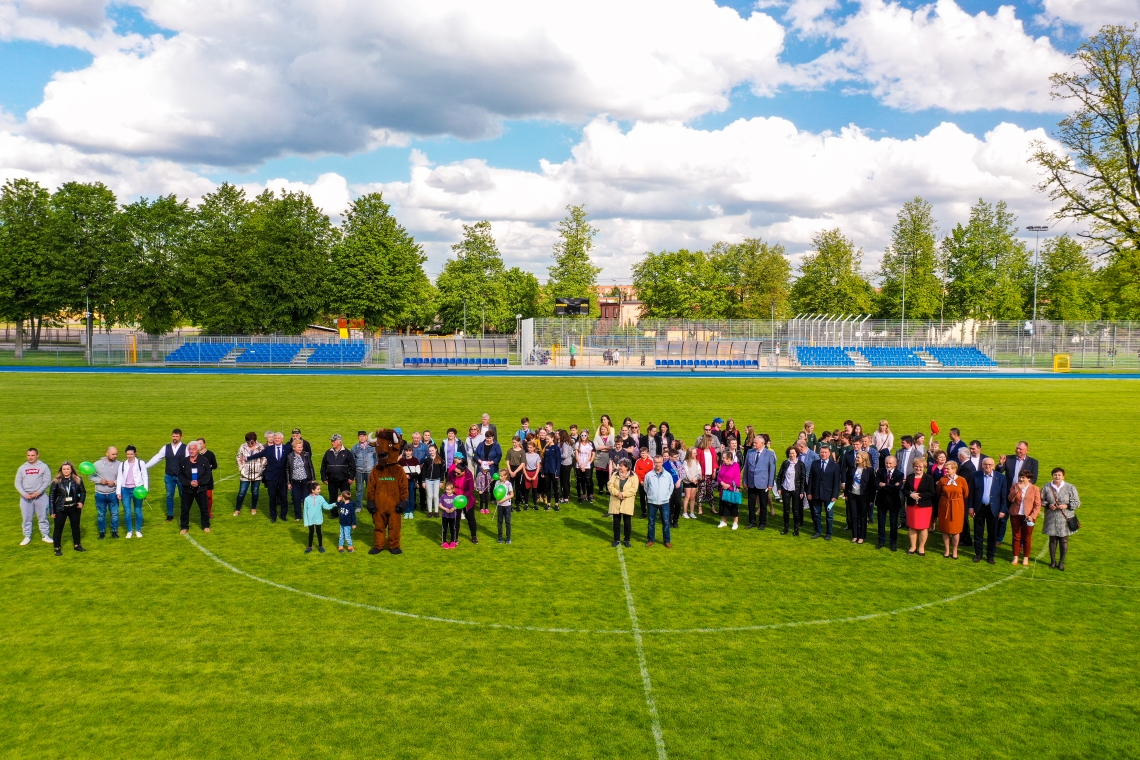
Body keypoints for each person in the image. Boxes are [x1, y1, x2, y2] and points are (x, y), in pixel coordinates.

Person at [242, 432, 290, 522]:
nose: (276, 439)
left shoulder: (287, 449)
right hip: (271, 477)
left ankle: (283, 515)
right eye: (275, 438)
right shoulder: (268, 449)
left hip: (283, 477)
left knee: (284, 497)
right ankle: (273, 516)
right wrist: (247, 458)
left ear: (282, 439)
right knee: (272, 497)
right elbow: (258, 455)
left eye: (278, 438)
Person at [999, 441, 1039, 544]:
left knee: (1021, 520)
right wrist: (1001, 464)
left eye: (1020, 449)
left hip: (1023, 496)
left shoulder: (1033, 462)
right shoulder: (1009, 459)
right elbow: (999, 472)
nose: (1018, 450)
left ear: (1027, 450)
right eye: (1017, 448)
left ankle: (1021, 543)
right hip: (1009, 493)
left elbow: (1033, 478)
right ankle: (999, 539)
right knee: (1003, 518)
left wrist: (1023, 488)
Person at [969, 457, 1007, 564]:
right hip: (979, 508)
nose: (988, 466)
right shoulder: (975, 475)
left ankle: (990, 555)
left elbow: (1003, 496)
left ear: (994, 466)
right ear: (982, 465)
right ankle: (978, 554)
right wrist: (971, 507)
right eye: (985, 464)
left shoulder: (1000, 477)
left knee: (992, 534)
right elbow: (971, 493)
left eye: (990, 464)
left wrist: (1002, 510)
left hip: (993, 509)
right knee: (978, 532)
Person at [1042, 467, 1080, 571]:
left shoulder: (1070, 487)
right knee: (1052, 539)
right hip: (1051, 517)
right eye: (1055, 475)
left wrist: (1066, 506)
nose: (1057, 476)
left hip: (1065, 518)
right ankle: (1053, 562)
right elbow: (1041, 500)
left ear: (1063, 476)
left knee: (1064, 540)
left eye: (1059, 475)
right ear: (1052, 476)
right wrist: (1049, 505)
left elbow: (1077, 502)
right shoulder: (1046, 486)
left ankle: (1061, 563)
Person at [146, 428, 186, 523]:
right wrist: (145, 466)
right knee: (169, 495)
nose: (175, 438)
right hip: (169, 476)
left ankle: (184, 513)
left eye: (177, 436)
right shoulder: (166, 447)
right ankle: (170, 514)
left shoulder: (185, 448)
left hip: (181, 476)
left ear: (181, 437)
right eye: (173, 436)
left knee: (183, 495)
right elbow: (157, 458)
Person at [15, 448, 53, 546]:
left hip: (40, 497)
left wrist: (38, 492)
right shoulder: (22, 468)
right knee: (26, 518)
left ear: (37, 455)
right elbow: (17, 483)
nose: (30, 457)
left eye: (32, 455)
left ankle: (45, 535)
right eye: (28, 455)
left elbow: (47, 481)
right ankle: (27, 536)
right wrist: (24, 494)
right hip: (25, 498)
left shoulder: (44, 467)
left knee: (43, 516)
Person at [49, 462, 86, 556]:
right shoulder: (56, 481)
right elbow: (52, 496)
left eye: (68, 469)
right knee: (58, 528)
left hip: (74, 508)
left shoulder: (78, 480)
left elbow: (83, 492)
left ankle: (77, 545)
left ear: (71, 469)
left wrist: (81, 502)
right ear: (61, 470)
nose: (66, 471)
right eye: (64, 469)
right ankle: (57, 547)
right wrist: (52, 511)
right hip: (61, 508)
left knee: (75, 527)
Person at [742, 434, 776, 530]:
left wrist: (770, 484)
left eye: (756, 442)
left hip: (763, 483)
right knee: (751, 504)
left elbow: (772, 470)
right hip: (751, 483)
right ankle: (752, 522)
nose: (754, 443)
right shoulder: (750, 452)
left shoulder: (769, 454)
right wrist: (744, 481)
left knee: (763, 504)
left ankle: (762, 523)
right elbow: (746, 468)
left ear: (762, 443)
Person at [936, 460, 969, 559]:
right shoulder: (942, 480)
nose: (945, 470)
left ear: (954, 469)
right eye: (945, 468)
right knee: (945, 529)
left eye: (947, 468)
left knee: (956, 530)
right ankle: (946, 550)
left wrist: (956, 500)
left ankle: (954, 550)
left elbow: (966, 493)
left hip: (957, 507)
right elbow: (938, 492)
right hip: (944, 506)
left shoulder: (962, 480)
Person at [178, 441, 213, 534]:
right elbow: (180, 475)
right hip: (187, 489)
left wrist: (199, 482)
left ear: (198, 450)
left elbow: (207, 474)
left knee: (204, 508)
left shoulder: (204, 461)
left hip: (200, 489)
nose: (191, 451)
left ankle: (206, 525)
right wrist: (189, 483)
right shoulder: (183, 461)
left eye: (193, 449)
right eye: (190, 449)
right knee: (185, 509)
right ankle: (184, 527)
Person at [1007, 470, 1041, 566]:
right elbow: (1010, 499)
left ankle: (1026, 558)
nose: (1021, 479)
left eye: (1023, 477)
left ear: (1028, 479)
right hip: (1015, 515)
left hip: (1028, 517)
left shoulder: (1035, 489)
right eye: (1020, 477)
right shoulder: (1015, 486)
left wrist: (1032, 516)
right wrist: (1017, 489)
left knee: (1027, 537)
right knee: (1016, 536)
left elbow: (1037, 505)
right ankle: (1015, 557)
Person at [905, 458, 937, 556]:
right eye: (916, 466)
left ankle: (921, 547)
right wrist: (911, 495)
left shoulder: (929, 478)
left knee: (923, 527)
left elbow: (932, 492)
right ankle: (913, 546)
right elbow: (904, 490)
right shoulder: (910, 477)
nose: (918, 468)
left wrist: (919, 496)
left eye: (920, 467)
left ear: (924, 467)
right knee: (912, 526)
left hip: (924, 507)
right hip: (912, 506)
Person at [115, 445, 148, 538]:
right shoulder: (122, 464)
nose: (129, 456)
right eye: (128, 454)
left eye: (131, 454)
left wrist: (145, 491)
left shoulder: (140, 463)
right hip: (125, 490)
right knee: (127, 512)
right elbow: (119, 478)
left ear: (135, 454)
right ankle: (129, 531)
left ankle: (138, 530)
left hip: (137, 490)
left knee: (138, 511)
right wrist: (118, 492)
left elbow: (145, 477)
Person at [809, 446, 840, 540]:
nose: (823, 454)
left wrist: (835, 495)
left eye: (825, 452)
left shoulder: (835, 466)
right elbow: (811, 479)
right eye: (822, 452)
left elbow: (836, 482)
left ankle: (829, 533)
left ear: (829, 453)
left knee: (829, 516)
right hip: (816, 493)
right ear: (819, 453)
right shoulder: (814, 464)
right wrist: (809, 492)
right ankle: (818, 531)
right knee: (816, 514)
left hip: (829, 495)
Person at [89, 447, 121, 540]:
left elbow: (122, 478)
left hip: (113, 493)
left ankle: (114, 531)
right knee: (101, 514)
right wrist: (100, 480)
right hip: (100, 494)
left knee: (114, 514)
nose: (115, 456)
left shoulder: (119, 465)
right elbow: (90, 476)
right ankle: (102, 532)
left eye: (116, 454)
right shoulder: (97, 464)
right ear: (107, 454)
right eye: (113, 454)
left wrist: (114, 482)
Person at [644, 455, 674, 547]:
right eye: (656, 462)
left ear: (662, 462)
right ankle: (651, 540)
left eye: (659, 462)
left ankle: (666, 541)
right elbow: (646, 487)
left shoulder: (668, 475)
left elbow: (671, 487)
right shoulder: (648, 475)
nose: (657, 464)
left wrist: (666, 496)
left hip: (664, 502)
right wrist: (650, 496)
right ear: (654, 462)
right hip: (652, 502)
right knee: (651, 522)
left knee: (666, 522)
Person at [874, 455, 903, 551]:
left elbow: (897, 488)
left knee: (893, 524)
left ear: (895, 464)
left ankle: (893, 543)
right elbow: (876, 485)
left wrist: (885, 485)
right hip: (881, 501)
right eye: (886, 463)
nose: (888, 465)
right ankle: (881, 541)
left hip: (893, 502)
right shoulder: (880, 471)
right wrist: (891, 486)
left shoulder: (899, 474)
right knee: (881, 523)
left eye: (890, 463)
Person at [608, 460, 638, 548]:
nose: (620, 467)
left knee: (627, 522)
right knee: (616, 521)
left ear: (627, 467)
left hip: (627, 501)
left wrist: (623, 494)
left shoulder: (633, 476)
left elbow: (634, 489)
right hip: (616, 500)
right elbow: (610, 485)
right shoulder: (615, 474)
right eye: (619, 465)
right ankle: (616, 539)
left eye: (622, 466)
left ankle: (627, 540)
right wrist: (617, 493)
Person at [846, 451, 875, 544]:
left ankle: (862, 536)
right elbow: (848, 481)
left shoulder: (869, 470)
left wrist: (871, 499)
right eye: (856, 457)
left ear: (864, 459)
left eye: (858, 457)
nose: (856, 459)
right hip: (852, 495)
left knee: (863, 516)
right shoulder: (852, 467)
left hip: (864, 496)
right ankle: (855, 535)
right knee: (854, 515)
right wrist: (846, 493)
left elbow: (872, 486)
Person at [777, 446, 807, 536]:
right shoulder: (785, 463)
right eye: (790, 453)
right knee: (786, 510)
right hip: (785, 489)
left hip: (796, 490)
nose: (792, 455)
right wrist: (779, 488)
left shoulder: (801, 464)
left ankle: (796, 528)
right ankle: (786, 528)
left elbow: (803, 479)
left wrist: (802, 491)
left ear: (796, 454)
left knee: (795, 510)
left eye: (793, 453)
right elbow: (779, 476)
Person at [320, 434, 356, 508]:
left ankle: (347, 511)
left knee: (346, 497)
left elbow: (352, 466)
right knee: (333, 497)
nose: (332, 443)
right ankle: (334, 514)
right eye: (332, 441)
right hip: (331, 480)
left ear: (339, 442)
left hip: (344, 480)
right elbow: (323, 466)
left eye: (334, 441)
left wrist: (351, 477)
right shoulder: (328, 453)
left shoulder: (347, 453)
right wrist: (324, 478)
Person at [449, 454, 478, 544]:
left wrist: (463, 497)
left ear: (463, 471)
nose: (456, 474)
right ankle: (455, 537)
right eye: (455, 472)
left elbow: (471, 489)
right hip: (455, 499)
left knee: (470, 518)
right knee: (455, 520)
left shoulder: (469, 475)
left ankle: (474, 536)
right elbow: (449, 484)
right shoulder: (452, 473)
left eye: (458, 473)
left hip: (467, 499)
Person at [286, 439, 316, 522]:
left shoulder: (306, 455)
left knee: (306, 498)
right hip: (295, 481)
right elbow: (288, 470)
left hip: (305, 480)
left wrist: (313, 479)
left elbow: (311, 467)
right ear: (294, 448)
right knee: (296, 498)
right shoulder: (290, 456)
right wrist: (288, 482)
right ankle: (298, 516)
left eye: (301, 447)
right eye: (298, 447)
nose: (300, 448)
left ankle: (308, 515)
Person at [235, 432, 264, 517]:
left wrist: (261, 468)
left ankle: (253, 508)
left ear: (255, 440)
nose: (250, 444)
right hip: (245, 473)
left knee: (255, 491)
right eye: (248, 442)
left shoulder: (260, 447)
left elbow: (264, 458)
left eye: (252, 442)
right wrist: (241, 469)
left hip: (257, 473)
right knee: (242, 492)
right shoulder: (242, 447)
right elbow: (238, 458)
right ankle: (237, 509)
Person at [475, 431, 502, 513]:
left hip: (491, 466)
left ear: (493, 437)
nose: (488, 440)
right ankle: (482, 498)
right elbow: (475, 454)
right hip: (482, 466)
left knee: (492, 482)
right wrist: (479, 460)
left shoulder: (496, 445)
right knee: (481, 481)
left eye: (490, 438)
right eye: (487, 438)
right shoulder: (481, 444)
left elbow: (499, 455)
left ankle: (492, 497)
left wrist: (492, 462)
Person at [302, 482, 332, 553]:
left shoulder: (321, 498)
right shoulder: (307, 499)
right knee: (311, 532)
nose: (320, 490)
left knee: (319, 532)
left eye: (320, 489)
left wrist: (334, 504)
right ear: (313, 490)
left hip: (318, 518)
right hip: (310, 520)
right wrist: (306, 522)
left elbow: (326, 506)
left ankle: (320, 546)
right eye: (318, 489)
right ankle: (310, 547)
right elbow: (305, 511)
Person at [716, 450, 742, 530]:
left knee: (733, 506)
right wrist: (722, 483)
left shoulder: (736, 465)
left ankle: (735, 523)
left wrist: (729, 485)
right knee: (723, 506)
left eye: (724, 457)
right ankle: (723, 521)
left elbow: (737, 477)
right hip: (723, 489)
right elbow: (719, 476)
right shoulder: (723, 465)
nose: (722, 459)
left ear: (729, 458)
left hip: (732, 490)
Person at [195, 438, 219, 519]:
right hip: (198, 479)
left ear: (204, 444)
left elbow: (215, 465)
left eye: (200, 443)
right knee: (201, 497)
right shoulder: (195, 454)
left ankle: (209, 512)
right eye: (197, 444)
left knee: (209, 496)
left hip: (208, 478)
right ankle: (203, 512)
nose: (199, 445)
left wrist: (209, 466)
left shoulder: (210, 454)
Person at [421, 445, 446, 517]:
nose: (431, 452)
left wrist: (441, 481)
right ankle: (429, 511)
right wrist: (423, 481)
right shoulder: (427, 460)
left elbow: (442, 471)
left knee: (435, 496)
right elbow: (424, 471)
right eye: (430, 451)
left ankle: (436, 511)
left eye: (432, 450)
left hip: (437, 480)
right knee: (429, 496)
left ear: (436, 450)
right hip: (428, 480)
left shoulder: (440, 459)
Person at [398, 445, 420, 519]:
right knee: (405, 497)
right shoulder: (401, 461)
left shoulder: (415, 460)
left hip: (412, 481)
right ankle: (406, 511)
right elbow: (398, 471)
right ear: (404, 451)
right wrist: (404, 476)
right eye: (406, 451)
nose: (408, 452)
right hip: (404, 482)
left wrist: (410, 476)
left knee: (411, 497)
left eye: (409, 451)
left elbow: (418, 471)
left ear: (412, 452)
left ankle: (411, 511)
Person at [593, 424, 615, 497]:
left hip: (609, 458)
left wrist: (602, 448)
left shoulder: (611, 437)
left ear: (607, 430)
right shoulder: (597, 437)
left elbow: (613, 446)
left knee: (607, 475)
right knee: (600, 475)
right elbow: (596, 447)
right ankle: (601, 489)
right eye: (602, 429)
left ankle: (608, 489)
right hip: (600, 458)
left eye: (604, 429)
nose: (603, 430)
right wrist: (606, 447)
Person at [574, 430, 594, 502]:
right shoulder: (577, 444)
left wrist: (584, 465)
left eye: (585, 435)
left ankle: (589, 496)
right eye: (582, 435)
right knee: (579, 481)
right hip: (578, 465)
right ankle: (579, 496)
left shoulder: (589, 445)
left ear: (587, 436)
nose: (583, 437)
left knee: (588, 481)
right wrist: (580, 464)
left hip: (587, 465)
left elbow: (589, 456)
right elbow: (576, 455)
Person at [543, 432, 562, 510]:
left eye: (548, 439)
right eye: (546, 439)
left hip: (554, 471)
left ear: (552, 439)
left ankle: (557, 504)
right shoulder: (546, 448)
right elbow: (544, 460)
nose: (546, 440)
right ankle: (549, 504)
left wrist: (557, 472)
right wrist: (543, 471)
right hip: (547, 471)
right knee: (548, 488)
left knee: (555, 488)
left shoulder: (556, 448)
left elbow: (558, 460)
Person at [633, 447, 654, 518]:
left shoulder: (651, 461)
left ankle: (651, 512)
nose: (643, 454)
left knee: (649, 498)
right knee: (642, 498)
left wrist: (648, 481)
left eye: (645, 453)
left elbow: (652, 471)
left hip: (649, 482)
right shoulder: (638, 461)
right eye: (642, 453)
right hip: (641, 482)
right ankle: (643, 512)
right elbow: (636, 472)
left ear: (647, 453)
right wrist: (641, 481)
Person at [496, 468, 514, 544]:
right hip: (500, 506)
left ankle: (508, 538)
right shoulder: (497, 483)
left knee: (507, 522)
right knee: (499, 521)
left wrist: (503, 500)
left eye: (501, 476)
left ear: (506, 476)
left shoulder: (508, 484)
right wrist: (497, 498)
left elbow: (512, 494)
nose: (500, 477)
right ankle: (500, 537)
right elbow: (495, 492)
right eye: (499, 475)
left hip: (507, 505)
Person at [440, 481, 459, 549]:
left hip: (453, 516)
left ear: (453, 489)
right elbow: (440, 505)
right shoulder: (443, 496)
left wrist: (453, 509)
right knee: (444, 529)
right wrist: (445, 509)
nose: (447, 491)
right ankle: (444, 542)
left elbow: (457, 505)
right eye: (446, 489)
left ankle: (452, 541)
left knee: (452, 529)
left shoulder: (455, 497)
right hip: (445, 516)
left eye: (449, 489)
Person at [522, 440, 541, 509]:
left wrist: (535, 475)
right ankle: (526, 504)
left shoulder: (537, 455)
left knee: (534, 490)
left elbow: (538, 466)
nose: (529, 449)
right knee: (526, 489)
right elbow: (523, 466)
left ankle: (535, 504)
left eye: (530, 447)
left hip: (534, 473)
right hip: (527, 472)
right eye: (528, 447)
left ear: (534, 448)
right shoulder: (525, 455)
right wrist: (526, 475)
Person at [558, 429, 573, 505]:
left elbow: (565, 455)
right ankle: (566, 496)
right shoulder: (568, 442)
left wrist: (557, 456)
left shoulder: (564, 444)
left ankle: (566, 498)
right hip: (568, 463)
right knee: (566, 481)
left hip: (565, 464)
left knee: (564, 482)